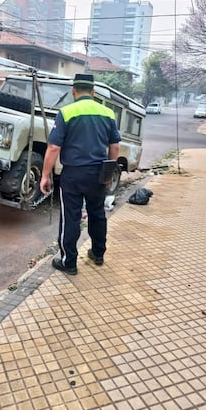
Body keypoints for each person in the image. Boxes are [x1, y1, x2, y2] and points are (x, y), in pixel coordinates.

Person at [40, 73, 121, 275]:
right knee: (97, 214)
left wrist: (44, 175)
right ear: (93, 92)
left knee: (71, 217)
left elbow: (53, 148)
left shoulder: (66, 112)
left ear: (73, 91)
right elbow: (115, 147)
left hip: (73, 175)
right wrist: (109, 173)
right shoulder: (108, 113)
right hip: (98, 173)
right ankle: (98, 253)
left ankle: (69, 262)